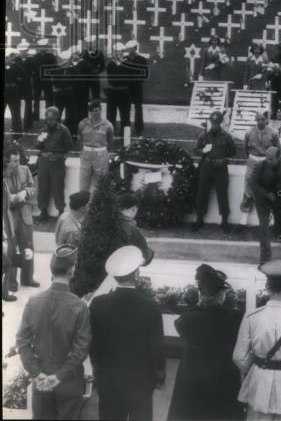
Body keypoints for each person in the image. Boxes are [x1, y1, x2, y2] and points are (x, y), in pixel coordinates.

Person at [89, 245, 165, 421]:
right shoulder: (151, 306)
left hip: (108, 379)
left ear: (114, 276)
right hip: (141, 380)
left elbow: (94, 343)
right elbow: (157, 346)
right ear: (137, 273)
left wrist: (98, 371)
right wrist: (159, 375)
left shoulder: (98, 304)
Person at [16, 245, 91, 421]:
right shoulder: (79, 306)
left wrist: (36, 372)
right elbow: (81, 349)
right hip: (69, 381)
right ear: (72, 271)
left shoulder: (33, 302)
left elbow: (22, 342)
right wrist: (60, 376)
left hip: (41, 380)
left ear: (52, 270)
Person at [233, 259, 281, 421]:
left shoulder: (251, 317)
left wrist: (256, 364)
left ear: (267, 286)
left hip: (259, 385)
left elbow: (239, 358)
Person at [167, 263, 244, 421]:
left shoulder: (188, 320)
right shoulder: (237, 318)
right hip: (225, 383)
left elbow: (180, 323)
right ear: (221, 295)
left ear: (201, 294)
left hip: (195, 384)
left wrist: (199, 305)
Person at [249, 145, 281, 265]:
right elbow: (252, 183)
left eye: (271, 159)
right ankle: (265, 257)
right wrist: (266, 194)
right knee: (264, 227)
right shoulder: (260, 166)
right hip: (263, 199)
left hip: (279, 196)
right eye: (266, 158)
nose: (268, 161)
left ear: (278, 157)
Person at [193, 110, 236, 233]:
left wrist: (223, 158)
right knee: (202, 193)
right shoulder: (204, 135)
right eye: (213, 122)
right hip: (206, 167)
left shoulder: (227, 136)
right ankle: (199, 220)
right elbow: (196, 149)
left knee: (222, 194)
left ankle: (224, 222)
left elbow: (233, 151)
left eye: (217, 122)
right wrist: (203, 151)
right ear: (210, 122)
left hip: (220, 168)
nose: (214, 124)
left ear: (221, 123)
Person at [4, 144, 38, 289]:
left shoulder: (25, 169)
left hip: (25, 214)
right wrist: (9, 197)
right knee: (11, 248)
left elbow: (32, 186)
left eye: (18, 160)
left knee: (28, 247)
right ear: (7, 161)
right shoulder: (4, 173)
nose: (18, 164)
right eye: (14, 161)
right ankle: (11, 282)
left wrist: (25, 192)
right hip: (9, 216)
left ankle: (28, 278)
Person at [34, 105, 74, 223]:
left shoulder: (63, 130)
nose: (50, 122)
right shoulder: (43, 130)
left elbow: (70, 146)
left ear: (57, 119)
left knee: (58, 187)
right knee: (42, 187)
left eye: (52, 119)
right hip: (44, 161)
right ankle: (43, 212)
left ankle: (60, 212)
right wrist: (40, 140)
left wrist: (58, 154)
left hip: (57, 162)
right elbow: (37, 146)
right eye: (48, 119)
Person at [77, 98, 114, 192]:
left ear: (101, 110)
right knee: (83, 181)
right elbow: (80, 139)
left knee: (102, 182)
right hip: (86, 154)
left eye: (97, 110)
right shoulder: (82, 124)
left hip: (100, 154)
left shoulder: (108, 125)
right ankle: (83, 204)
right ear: (89, 112)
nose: (95, 113)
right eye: (92, 111)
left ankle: (101, 205)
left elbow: (110, 140)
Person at [118, 193, 154, 265]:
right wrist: (150, 252)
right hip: (124, 270)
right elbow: (144, 254)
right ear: (134, 209)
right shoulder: (131, 229)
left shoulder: (106, 223)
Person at [123, 41, 150, 137]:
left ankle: (139, 129)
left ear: (135, 48)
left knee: (138, 108)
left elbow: (145, 74)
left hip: (137, 87)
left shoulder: (142, 60)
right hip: (126, 87)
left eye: (131, 49)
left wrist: (138, 80)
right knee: (126, 107)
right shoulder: (125, 59)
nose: (129, 51)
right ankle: (125, 127)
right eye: (128, 49)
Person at [105, 44, 133, 135]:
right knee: (110, 116)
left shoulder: (128, 64)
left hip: (124, 92)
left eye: (120, 51)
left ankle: (125, 135)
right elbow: (111, 80)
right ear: (113, 53)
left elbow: (128, 79)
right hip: (113, 92)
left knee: (125, 116)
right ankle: (110, 134)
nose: (118, 54)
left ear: (122, 52)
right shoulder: (110, 65)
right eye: (116, 52)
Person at [4, 48, 28, 133]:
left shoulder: (17, 67)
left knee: (16, 113)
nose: (8, 59)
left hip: (14, 93)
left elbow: (25, 79)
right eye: (7, 57)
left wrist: (19, 89)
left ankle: (17, 132)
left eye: (9, 57)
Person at [3, 174, 19, 302]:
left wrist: (11, 232)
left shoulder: (5, 184)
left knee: (7, 261)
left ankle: (4, 292)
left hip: (7, 226)